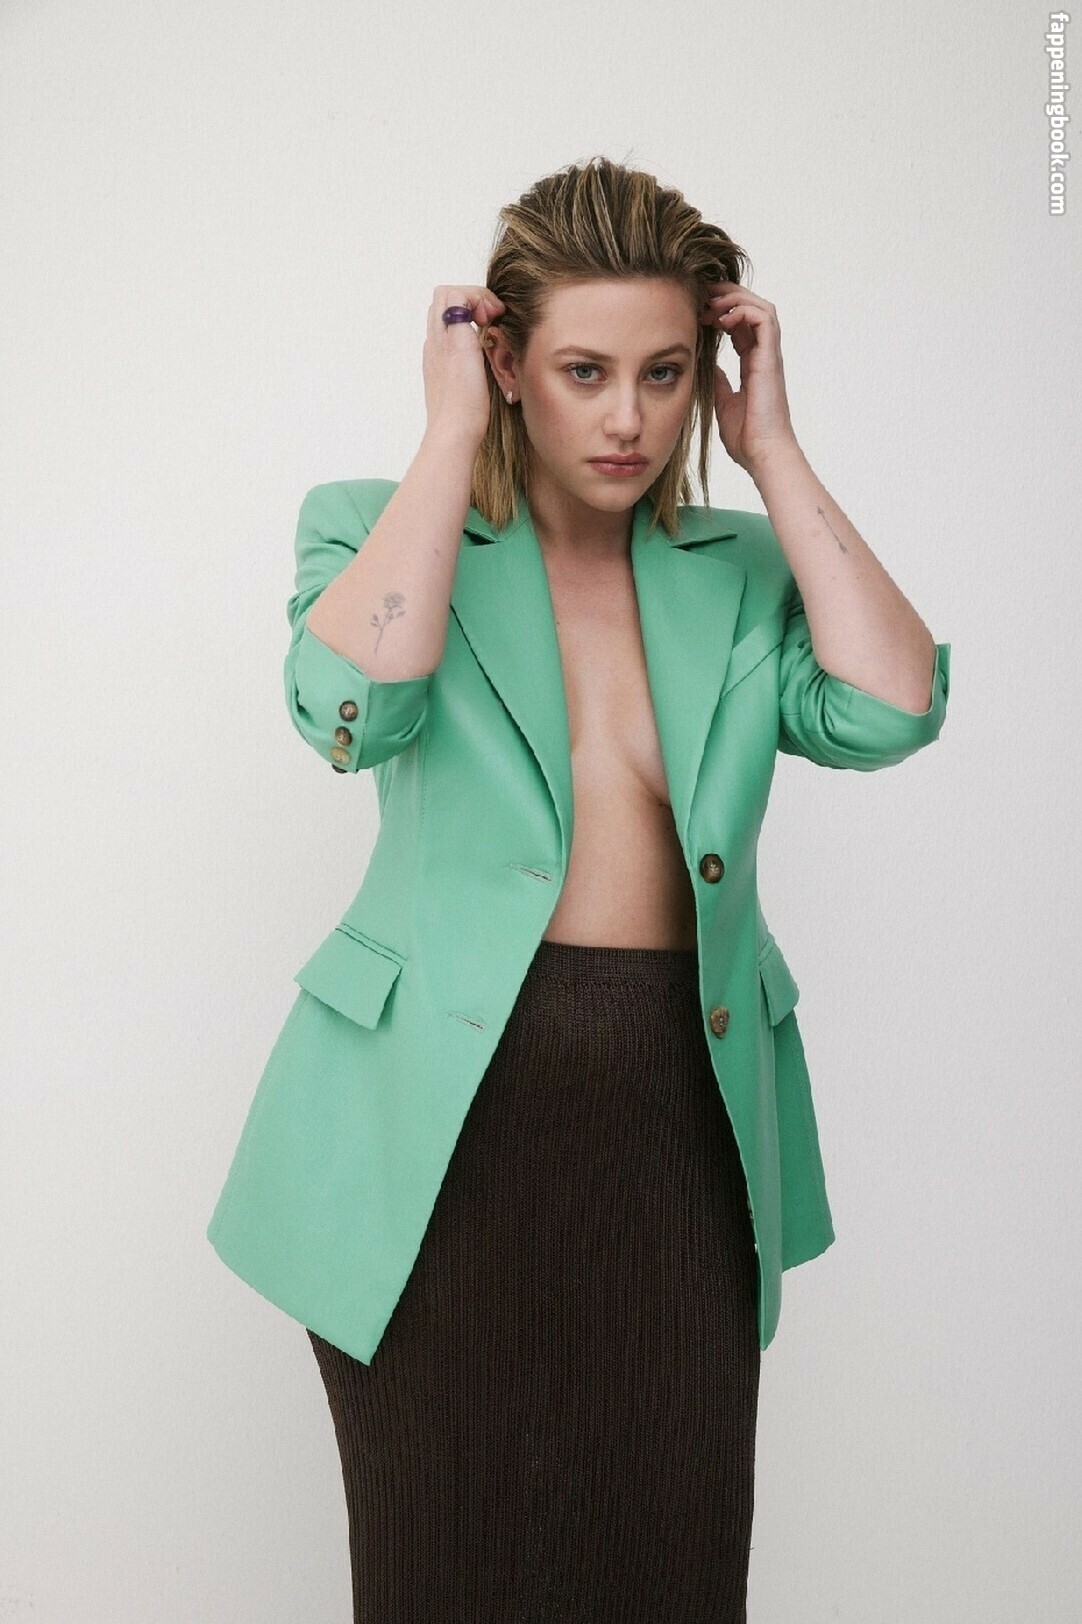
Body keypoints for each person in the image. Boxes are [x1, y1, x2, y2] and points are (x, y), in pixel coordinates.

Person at [207, 155, 951, 1621]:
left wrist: (772, 451)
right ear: (509, 365)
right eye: (584, 372)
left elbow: (891, 707)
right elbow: (352, 712)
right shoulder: (378, 523)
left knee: (671, 1574)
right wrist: (447, 439)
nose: (627, 419)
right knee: (443, 1575)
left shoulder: (743, 569)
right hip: (433, 1147)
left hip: (681, 1135)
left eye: (663, 374)